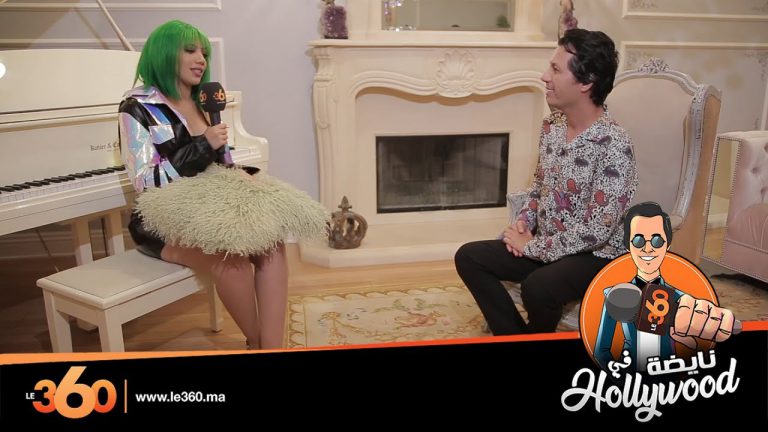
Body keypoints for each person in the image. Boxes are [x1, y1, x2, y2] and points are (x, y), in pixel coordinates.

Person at [118, 20, 326, 350]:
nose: (201, 59)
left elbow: (220, 163)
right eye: (190, 50)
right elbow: (146, 182)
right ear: (164, 53)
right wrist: (203, 144)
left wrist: (238, 173)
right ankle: (257, 343)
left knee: (272, 245)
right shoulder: (137, 107)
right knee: (232, 262)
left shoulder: (204, 101)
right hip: (161, 223)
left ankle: (272, 346)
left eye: (204, 52)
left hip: (211, 210)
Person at [454, 28, 637, 335]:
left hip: (594, 256)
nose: (544, 77)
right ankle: (514, 337)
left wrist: (534, 247)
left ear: (586, 82)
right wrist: (524, 222)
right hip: (547, 243)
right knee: (469, 257)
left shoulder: (615, 144)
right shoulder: (552, 126)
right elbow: (540, 187)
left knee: (538, 288)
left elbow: (597, 231)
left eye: (555, 69)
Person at [594, 202, 736, 373]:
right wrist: (620, 375)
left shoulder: (681, 299)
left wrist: (694, 346)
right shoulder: (615, 296)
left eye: (657, 241)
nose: (648, 249)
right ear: (628, 246)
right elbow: (601, 351)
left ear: (667, 245)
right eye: (638, 241)